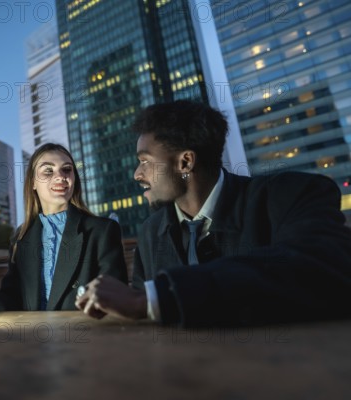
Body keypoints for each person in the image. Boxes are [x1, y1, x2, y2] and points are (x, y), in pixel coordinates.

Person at [76, 100, 351, 327]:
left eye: (145, 161)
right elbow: (141, 313)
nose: (137, 174)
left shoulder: (290, 195)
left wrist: (157, 298)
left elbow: (320, 267)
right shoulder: (151, 231)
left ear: (185, 161)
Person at [0, 143, 128, 313]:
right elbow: (12, 302)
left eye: (67, 170)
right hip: (33, 345)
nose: (60, 176)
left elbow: (116, 299)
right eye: (48, 171)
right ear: (33, 182)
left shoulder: (103, 231)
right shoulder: (21, 237)